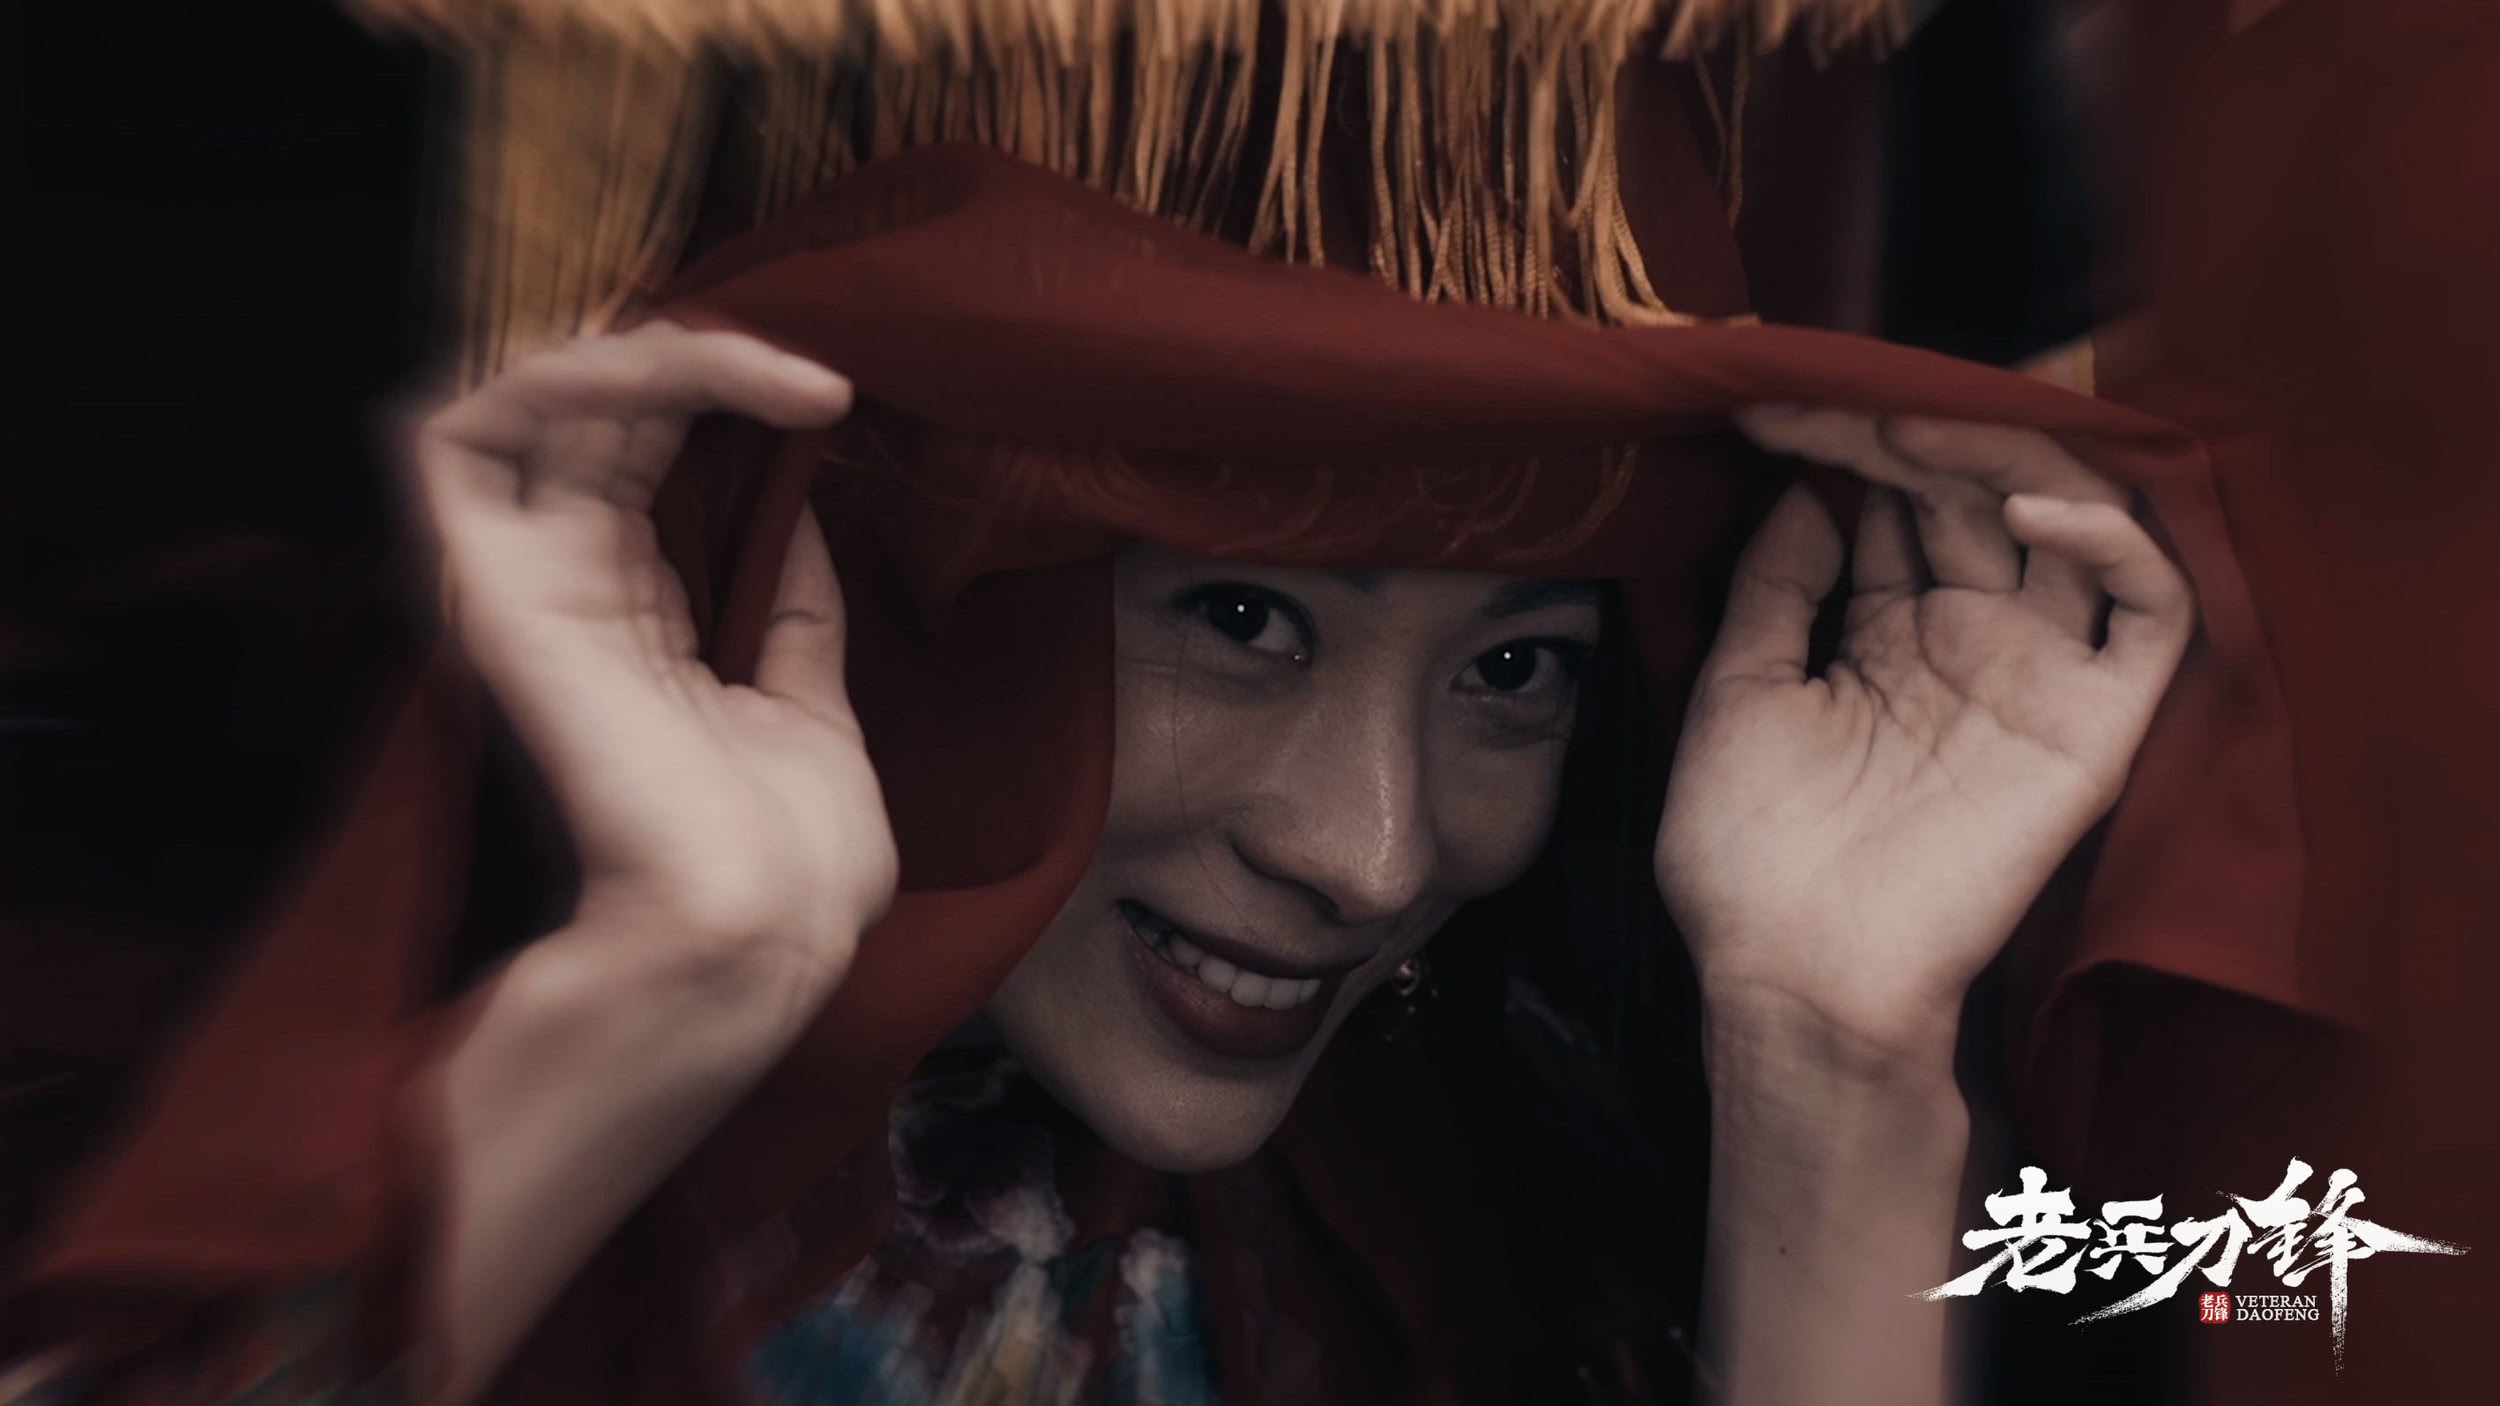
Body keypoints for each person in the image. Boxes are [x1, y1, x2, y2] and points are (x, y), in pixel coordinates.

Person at [383, 301, 2186, 1406]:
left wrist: (1832, 1060)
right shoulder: (428, 1090)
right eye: (1242, 619)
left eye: (1514, 669)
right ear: (905, 593)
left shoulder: (1506, 1220)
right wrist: (673, 984)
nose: (1373, 857)